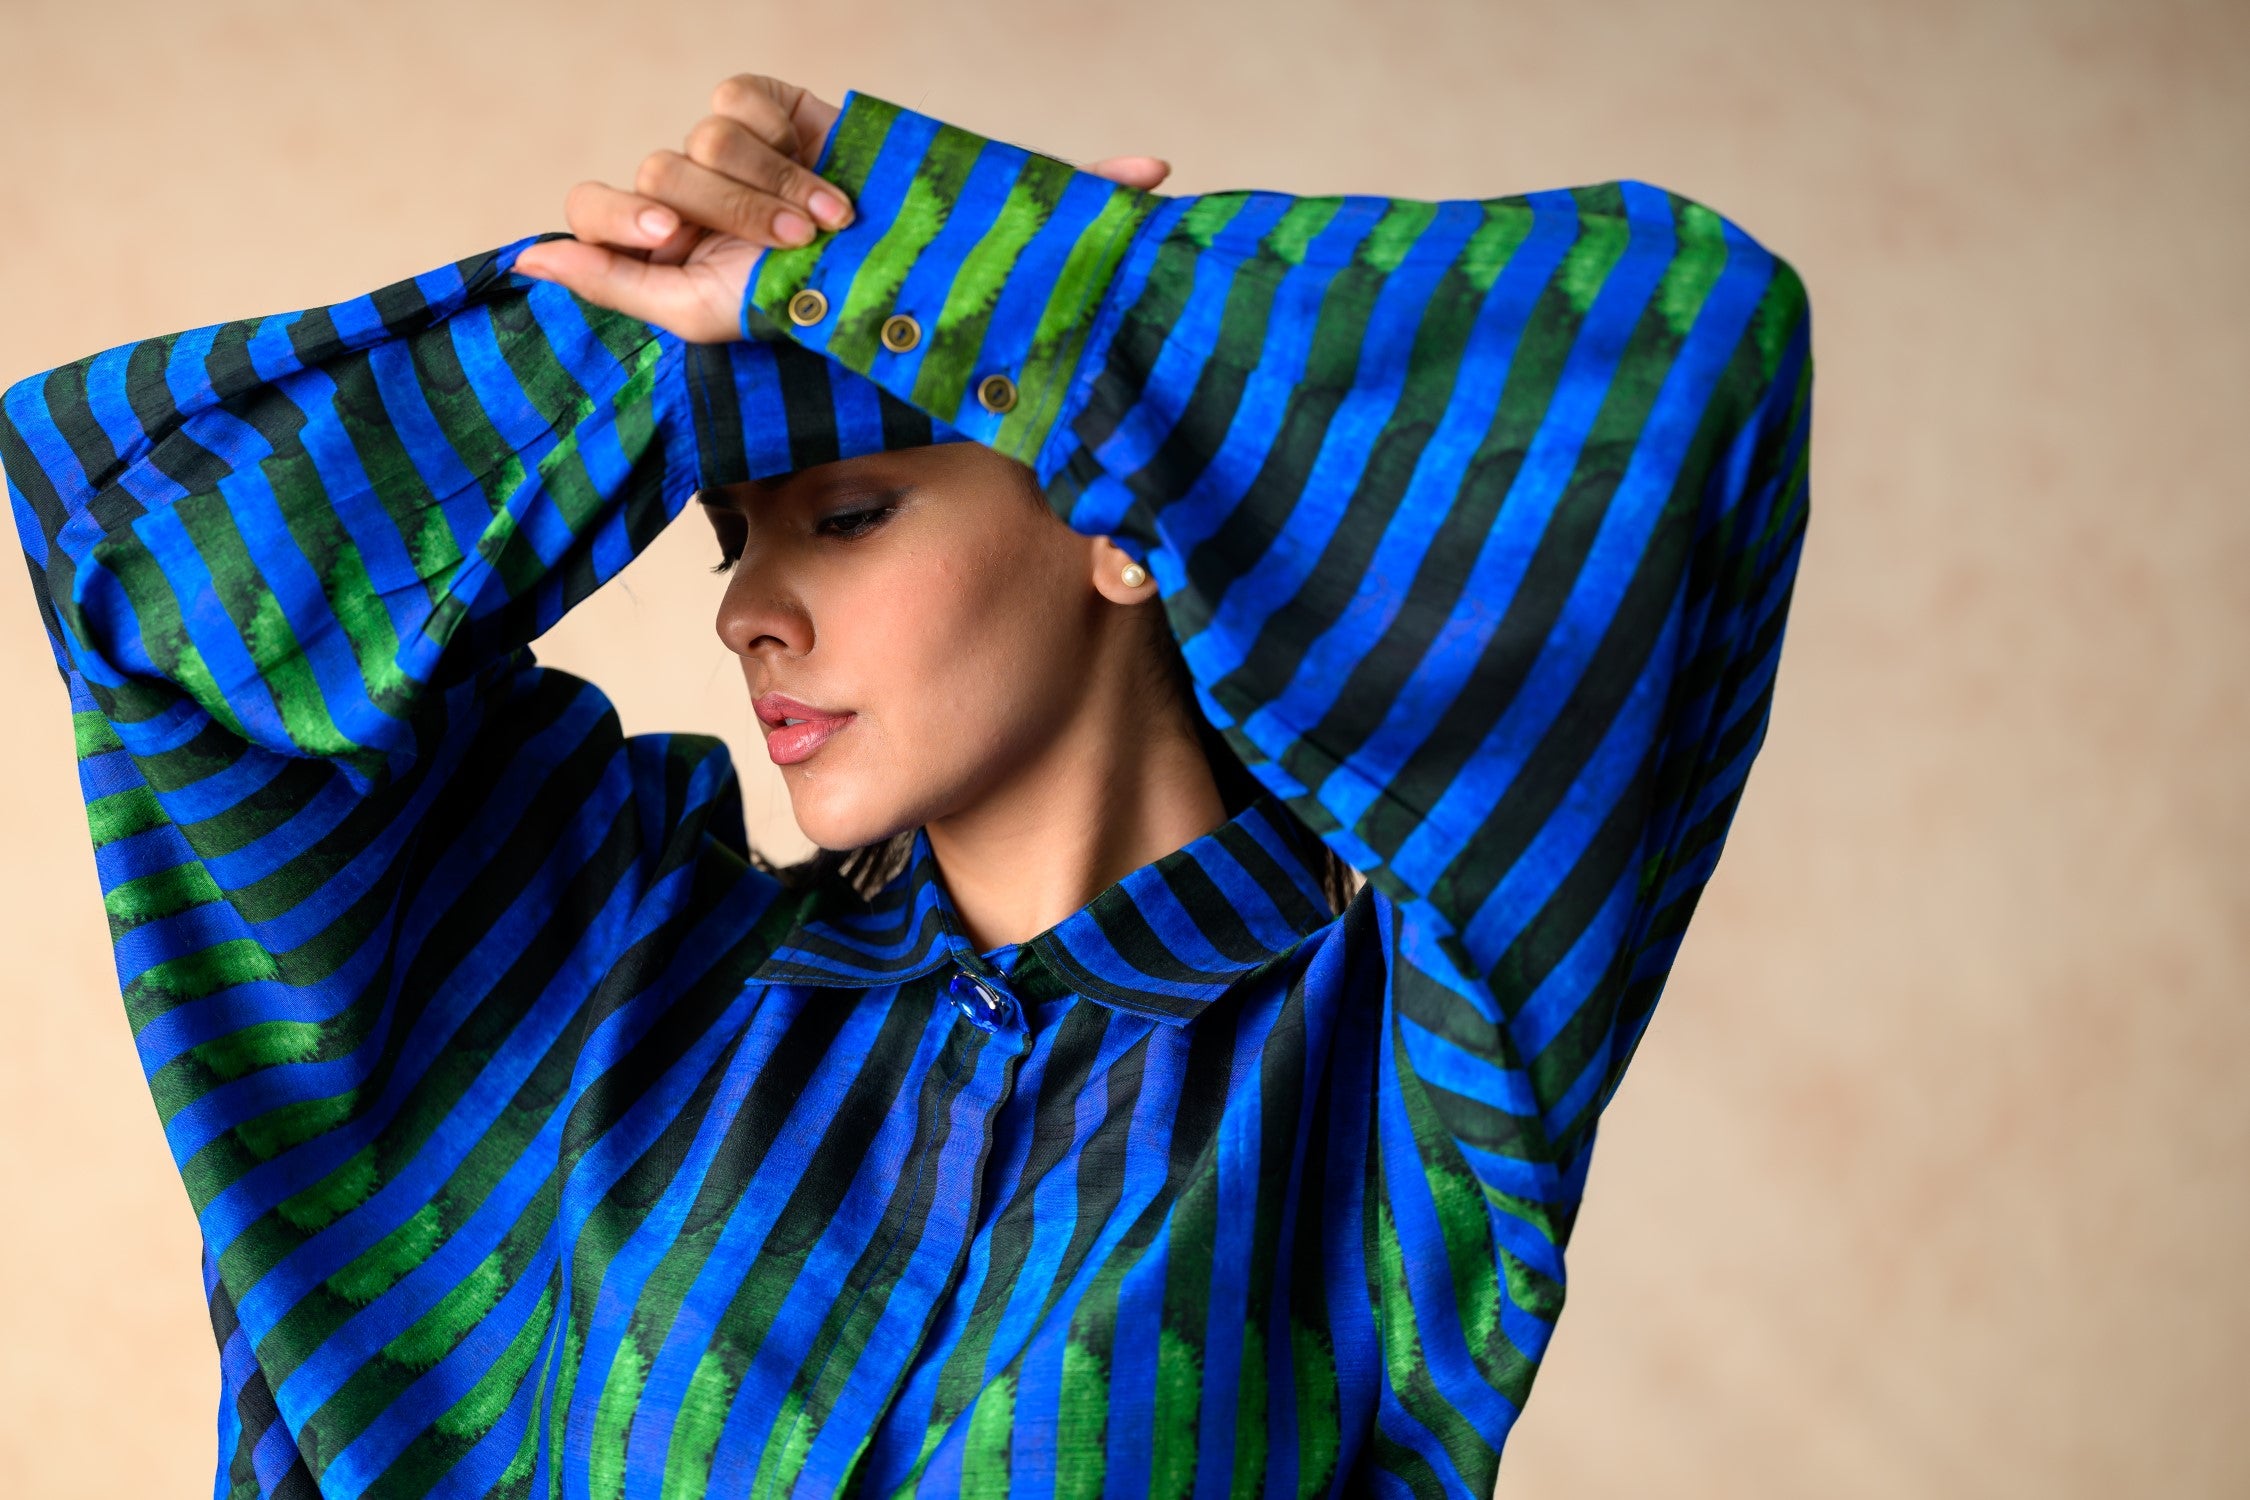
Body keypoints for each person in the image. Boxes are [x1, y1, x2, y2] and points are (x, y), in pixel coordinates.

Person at [0, 70, 1812, 1499]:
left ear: (1114, 516)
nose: (746, 610)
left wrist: (1000, 282)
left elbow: (1691, 340)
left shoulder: (1400, 1064)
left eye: (850, 515)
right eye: (732, 533)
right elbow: (137, 567)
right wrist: (657, 330)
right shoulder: (616, 977)